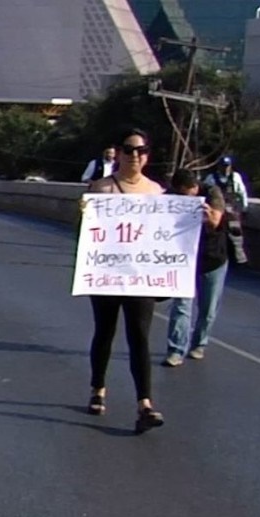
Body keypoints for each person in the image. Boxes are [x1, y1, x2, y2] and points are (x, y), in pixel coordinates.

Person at [84, 127, 165, 434]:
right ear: (118, 153)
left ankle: (144, 403)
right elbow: (89, 232)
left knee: (140, 338)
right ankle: (98, 388)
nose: (135, 156)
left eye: (140, 151)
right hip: (108, 275)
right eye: (129, 150)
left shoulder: (156, 193)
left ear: (147, 155)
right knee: (105, 331)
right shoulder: (102, 189)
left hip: (140, 277)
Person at [163, 168, 228, 367]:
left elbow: (217, 219)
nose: (186, 196)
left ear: (195, 186)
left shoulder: (211, 193)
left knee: (207, 308)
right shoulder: (169, 197)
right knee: (181, 306)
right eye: (181, 192)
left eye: (189, 191)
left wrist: (210, 220)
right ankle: (176, 349)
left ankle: (199, 343)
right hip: (185, 259)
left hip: (212, 258)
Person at [204, 156, 250, 264]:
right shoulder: (211, 178)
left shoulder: (235, 177)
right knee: (218, 233)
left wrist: (244, 207)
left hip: (232, 209)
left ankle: (239, 259)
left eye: (227, 166)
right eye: (223, 166)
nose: (225, 169)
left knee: (236, 233)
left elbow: (242, 193)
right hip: (217, 208)